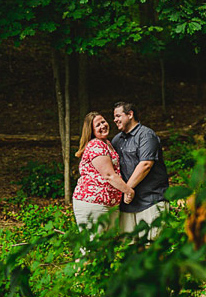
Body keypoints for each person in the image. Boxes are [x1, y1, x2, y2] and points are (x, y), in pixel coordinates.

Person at [72, 111, 137, 241]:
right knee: (92, 248)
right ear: (91, 130)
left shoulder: (107, 143)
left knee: (105, 248)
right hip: (93, 203)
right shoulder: (96, 145)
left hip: (108, 204)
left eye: (103, 122)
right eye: (98, 125)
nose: (103, 126)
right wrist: (128, 191)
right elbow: (109, 175)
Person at [111, 101, 170, 240]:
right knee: (130, 251)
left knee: (151, 248)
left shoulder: (146, 135)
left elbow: (145, 165)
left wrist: (127, 189)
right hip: (128, 206)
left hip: (151, 201)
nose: (115, 120)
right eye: (114, 117)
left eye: (118, 115)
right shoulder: (116, 140)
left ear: (130, 114)